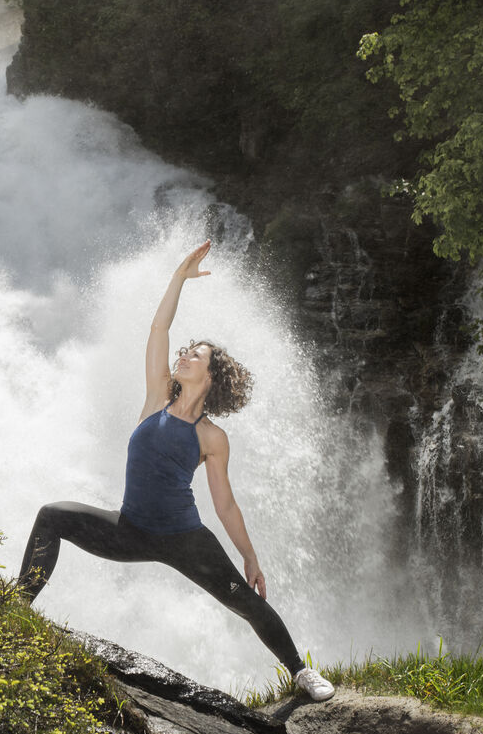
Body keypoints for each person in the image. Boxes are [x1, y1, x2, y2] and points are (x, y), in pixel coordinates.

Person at [18, 240, 335, 701]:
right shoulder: (155, 400)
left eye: (195, 355)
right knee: (52, 515)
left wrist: (250, 556)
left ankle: (300, 673)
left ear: (209, 376)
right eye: (185, 352)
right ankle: (13, 608)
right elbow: (158, 328)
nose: (183, 356)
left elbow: (224, 504)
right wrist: (178, 278)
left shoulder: (212, 438)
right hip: (129, 530)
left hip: (185, 539)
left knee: (244, 602)